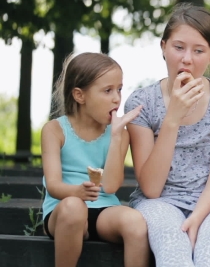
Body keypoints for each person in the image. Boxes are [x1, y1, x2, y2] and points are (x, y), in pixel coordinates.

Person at [124, 3, 210, 267]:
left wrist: (197, 218)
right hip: (159, 203)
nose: (187, 59)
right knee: (174, 255)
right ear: (163, 47)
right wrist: (173, 118)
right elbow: (152, 189)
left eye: (198, 50)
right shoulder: (141, 103)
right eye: (178, 47)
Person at [41, 52, 149, 267]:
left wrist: (117, 136)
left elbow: (110, 186)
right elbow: (53, 185)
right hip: (63, 210)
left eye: (119, 89)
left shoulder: (119, 133)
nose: (117, 98)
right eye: (107, 91)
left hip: (104, 210)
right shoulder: (54, 130)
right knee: (74, 208)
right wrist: (77, 193)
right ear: (80, 96)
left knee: (135, 222)